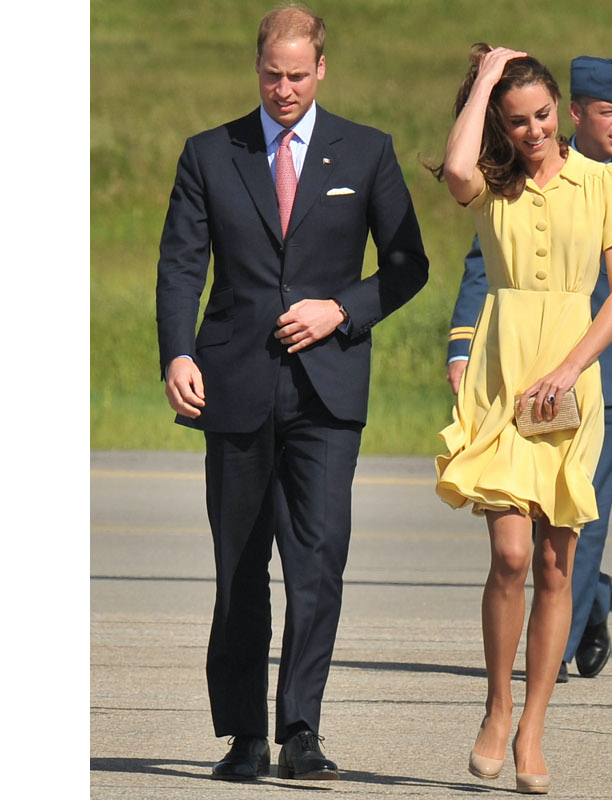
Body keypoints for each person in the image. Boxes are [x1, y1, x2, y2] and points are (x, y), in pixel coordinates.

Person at [156, 3, 428, 782]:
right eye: (273, 74)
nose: (284, 88)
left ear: (321, 70)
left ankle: (301, 728)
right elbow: (181, 265)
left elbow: (408, 267)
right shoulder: (211, 153)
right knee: (239, 564)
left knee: (316, 562)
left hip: (327, 393)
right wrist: (178, 352)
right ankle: (243, 734)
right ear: (257, 68)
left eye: (298, 75)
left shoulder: (366, 152)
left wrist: (342, 308)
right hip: (233, 386)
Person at [446, 56, 612, 683]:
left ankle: (551, 655)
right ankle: (577, 615)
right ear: (580, 110)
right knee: (518, 543)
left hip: (607, 373)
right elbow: (483, 263)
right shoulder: (504, 182)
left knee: (576, 527)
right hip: (510, 367)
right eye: (610, 109)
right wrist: (462, 346)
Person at [431, 44, 612, 793]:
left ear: (561, 109)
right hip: (502, 373)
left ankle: (534, 728)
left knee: (557, 563)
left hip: (571, 376)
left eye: (544, 114)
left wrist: (570, 370)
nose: (535, 130)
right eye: (516, 121)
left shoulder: (604, 182)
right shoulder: (493, 184)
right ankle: (495, 706)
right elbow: (455, 170)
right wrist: (486, 79)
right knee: (511, 555)